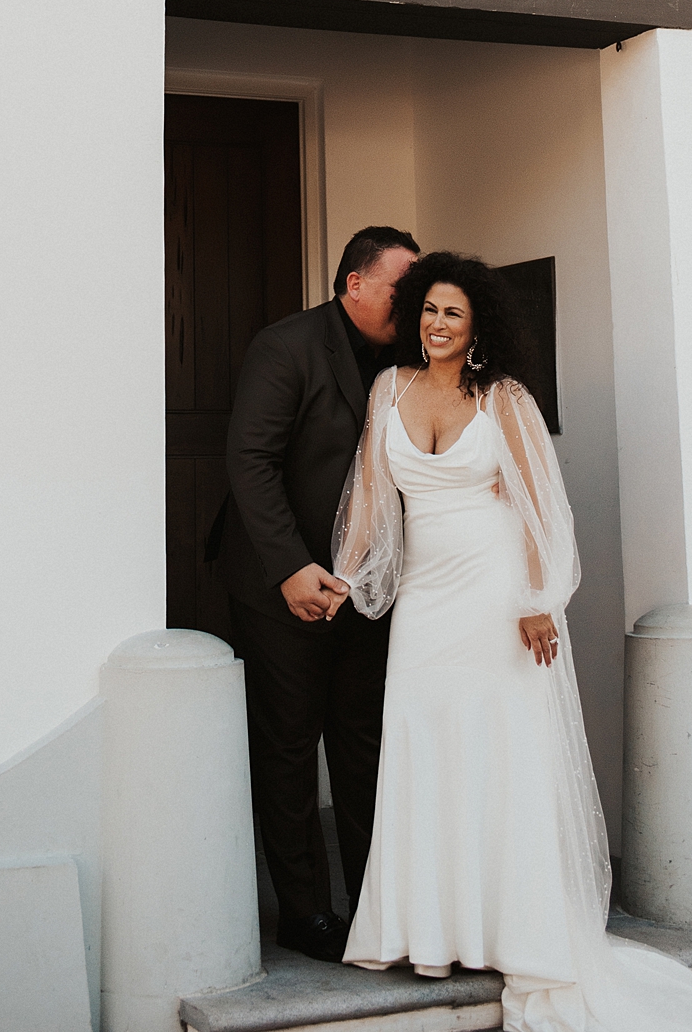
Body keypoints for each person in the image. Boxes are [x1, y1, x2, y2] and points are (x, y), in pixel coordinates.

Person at [333, 251, 692, 1032]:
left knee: (503, 753)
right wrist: (342, 576)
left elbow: (541, 508)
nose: (436, 325)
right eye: (428, 310)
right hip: (425, 603)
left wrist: (538, 600)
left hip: (498, 597)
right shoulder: (387, 388)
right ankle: (427, 931)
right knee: (424, 746)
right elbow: (370, 492)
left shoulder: (504, 399)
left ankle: (515, 929)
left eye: (452, 314)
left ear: (477, 327)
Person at [220, 225, 421, 963]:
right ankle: (302, 915)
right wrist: (291, 568)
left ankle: (376, 903)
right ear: (354, 284)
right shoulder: (286, 345)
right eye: (401, 287)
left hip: (370, 586)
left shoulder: (411, 356)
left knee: (365, 747)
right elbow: (250, 459)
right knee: (288, 748)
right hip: (284, 585)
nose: (415, 302)